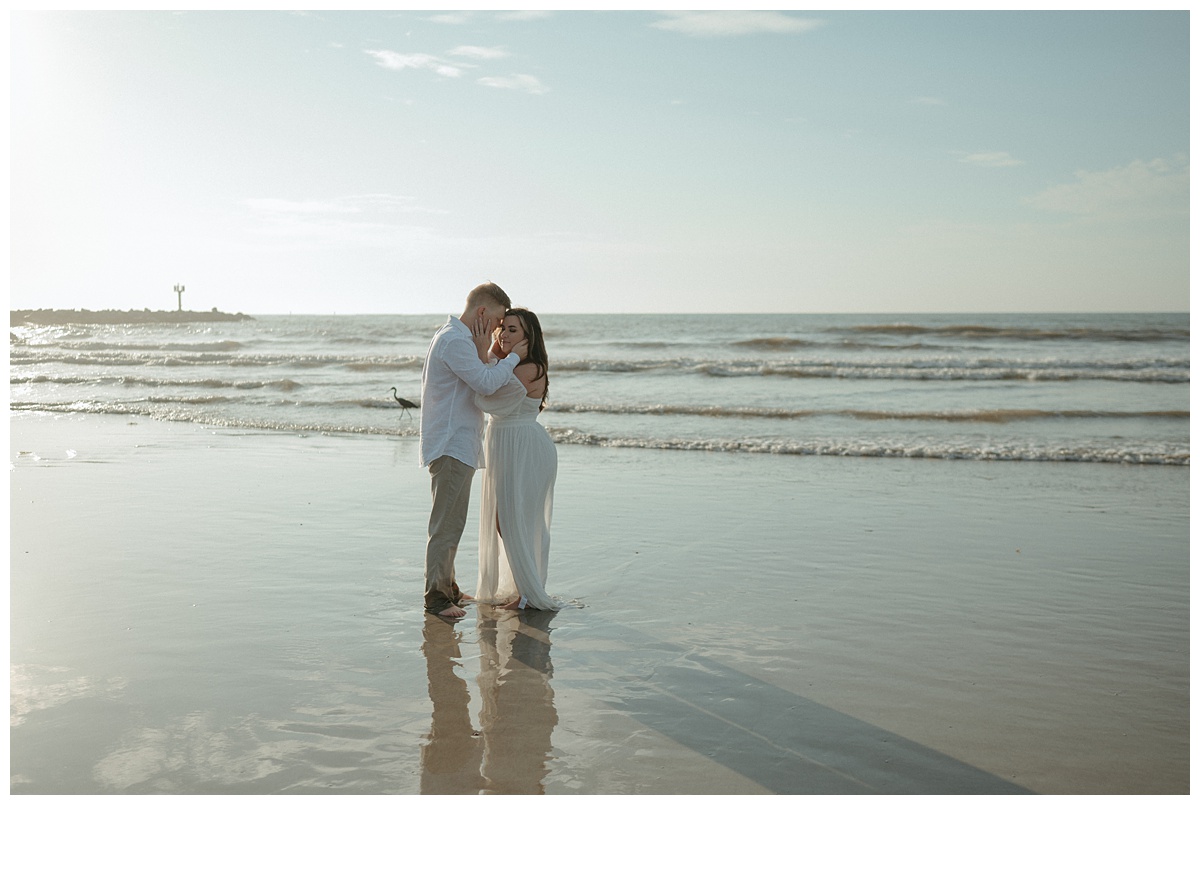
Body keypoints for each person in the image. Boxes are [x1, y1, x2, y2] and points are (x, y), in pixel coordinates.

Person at [420, 283, 528, 620]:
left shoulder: (458, 339)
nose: (498, 328)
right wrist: (512, 357)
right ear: (482, 312)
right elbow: (485, 383)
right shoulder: (455, 340)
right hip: (452, 443)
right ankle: (436, 599)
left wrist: (484, 353)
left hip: (456, 442)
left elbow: (479, 376)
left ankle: (448, 588)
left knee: (453, 520)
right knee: (447, 524)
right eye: (497, 320)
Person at [474, 308, 562, 611]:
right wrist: (496, 351)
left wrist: (497, 355)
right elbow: (489, 377)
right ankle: (520, 590)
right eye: (504, 329)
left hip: (524, 447)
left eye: (514, 330)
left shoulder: (529, 368)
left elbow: (487, 393)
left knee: (516, 521)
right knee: (510, 520)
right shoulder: (510, 365)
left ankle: (527, 594)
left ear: (528, 336)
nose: (506, 334)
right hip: (506, 444)